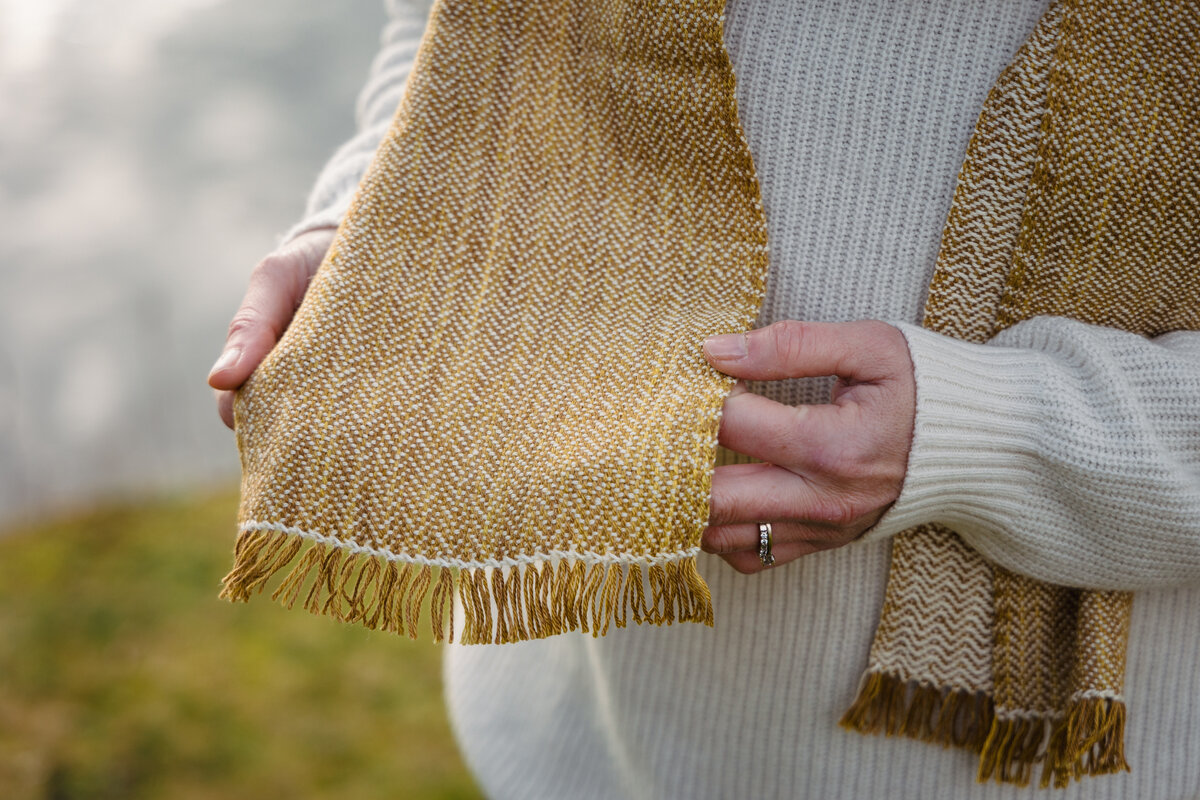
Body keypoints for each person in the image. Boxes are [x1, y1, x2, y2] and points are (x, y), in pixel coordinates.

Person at [208, 1, 1200, 797]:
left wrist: (989, 434)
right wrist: (380, 225)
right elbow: (441, 26)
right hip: (594, 721)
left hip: (1011, 762)